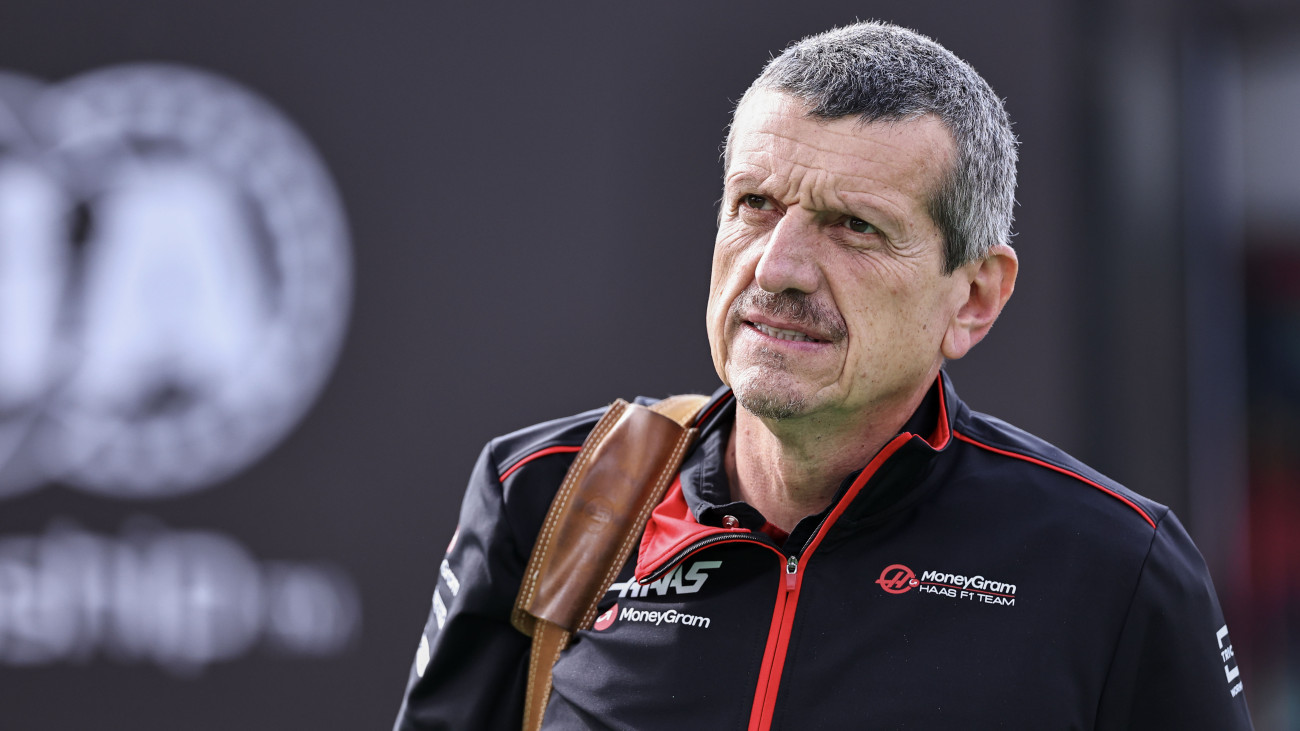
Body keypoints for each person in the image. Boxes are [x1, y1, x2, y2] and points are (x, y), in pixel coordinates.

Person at [394, 21, 1254, 730]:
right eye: (755, 205)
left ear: (975, 298)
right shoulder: (546, 492)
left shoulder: (1114, 564)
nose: (778, 268)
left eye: (854, 226)